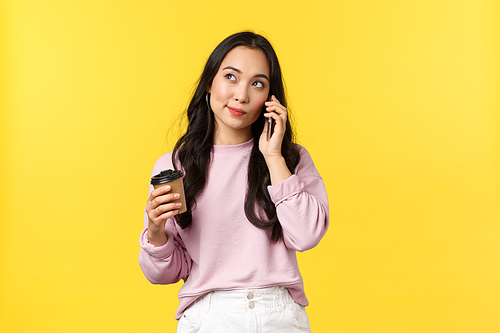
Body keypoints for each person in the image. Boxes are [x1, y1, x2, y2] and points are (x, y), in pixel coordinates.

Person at [139, 31, 329, 333]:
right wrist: (156, 230)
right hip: (207, 315)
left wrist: (273, 156)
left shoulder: (290, 158)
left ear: (270, 99)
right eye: (231, 77)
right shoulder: (175, 165)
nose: (241, 95)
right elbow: (163, 274)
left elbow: (306, 236)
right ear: (209, 83)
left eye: (257, 84)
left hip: (278, 315)